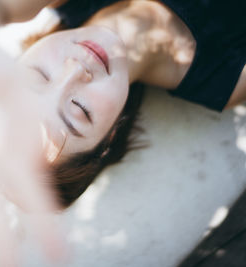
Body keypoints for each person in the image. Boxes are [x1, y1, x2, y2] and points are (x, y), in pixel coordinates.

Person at [15, 0, 246, 208]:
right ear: (110, 135)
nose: (75, 69)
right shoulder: (225, 78)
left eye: (39, 76)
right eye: (80, 109)